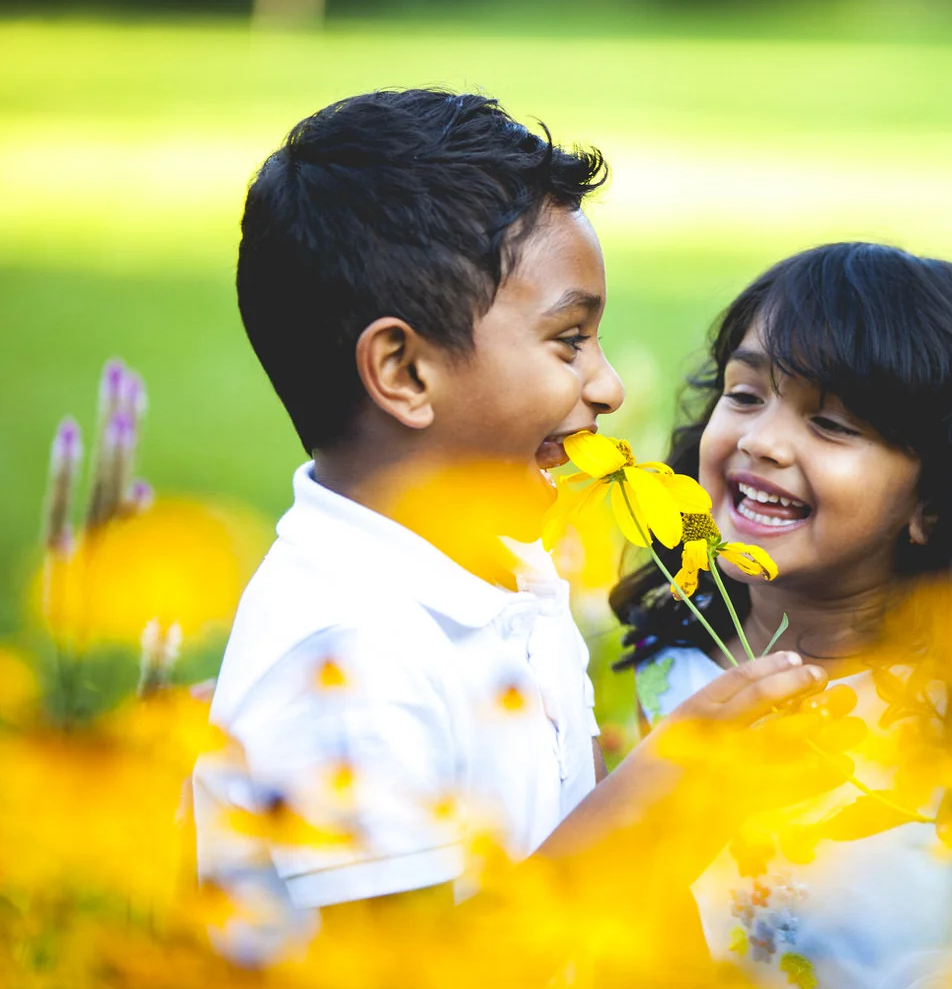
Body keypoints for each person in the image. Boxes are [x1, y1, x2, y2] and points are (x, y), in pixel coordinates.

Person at [191, 88, 830, 966]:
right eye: (570, 339)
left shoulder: (499, 571)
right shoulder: (346, 655)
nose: (606, 386)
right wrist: (667, 790)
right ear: (404, 370)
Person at [612, 242, 952, 987]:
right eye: (746, 393)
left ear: (936, 502)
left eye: (830, 424)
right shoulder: (673, 665)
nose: (761, 440)